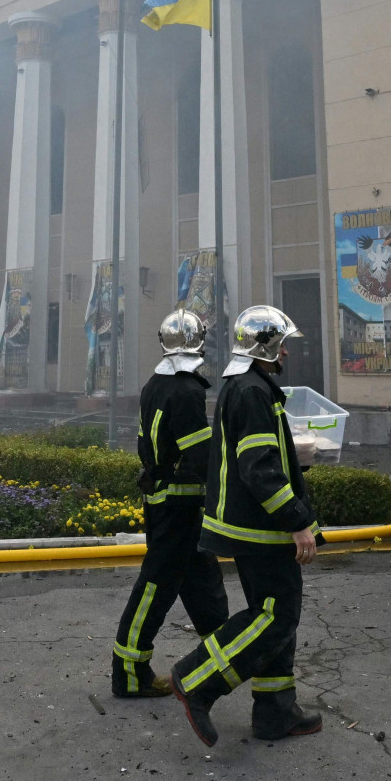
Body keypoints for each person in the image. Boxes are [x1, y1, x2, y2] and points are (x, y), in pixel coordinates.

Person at [168, 304, 322, 746]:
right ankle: (196, 678)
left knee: (275, 615)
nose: (286, 354)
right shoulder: (253, 391)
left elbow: (254, 459)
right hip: (263, 530)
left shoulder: (245, 387)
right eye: (282, 345)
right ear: (265, 345)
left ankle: (275, 712)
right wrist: (297, 522)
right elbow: (258, 467)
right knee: (276, 616)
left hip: (252, 528)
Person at [110, 309, 231, 699]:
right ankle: (129, 673)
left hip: (171, 503)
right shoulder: (188, 390)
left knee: (203, 582)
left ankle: (225, 660)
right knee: (156, 587)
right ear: (200, 342)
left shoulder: (155, 383)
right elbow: (200, 455)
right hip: (177, 507)